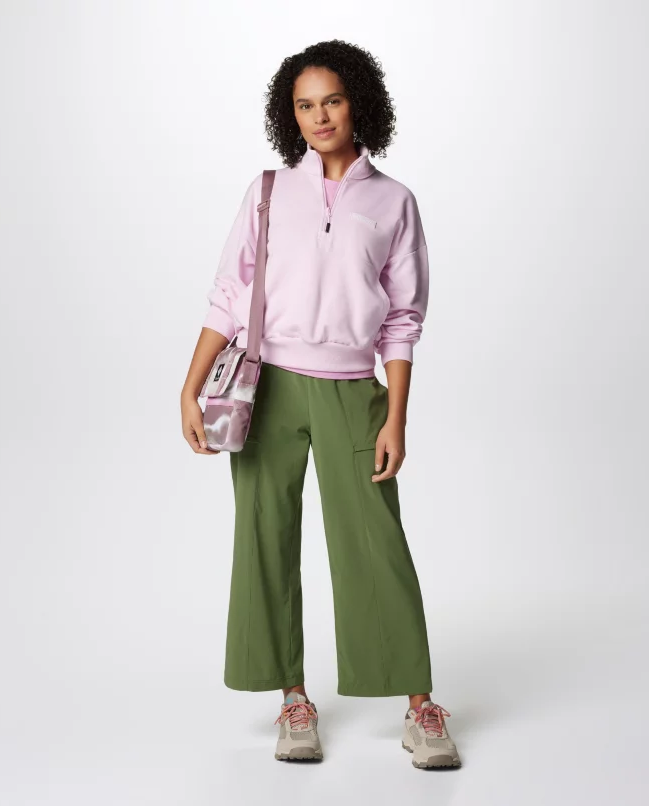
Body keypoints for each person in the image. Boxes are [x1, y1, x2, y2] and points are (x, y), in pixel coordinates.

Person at [179, 39, 461, 769]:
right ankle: (293, 700)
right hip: (267, 386)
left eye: (331, 100)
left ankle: (420, 706)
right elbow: (229, 292)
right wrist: (190, 385)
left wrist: (396, 416)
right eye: (304, 105)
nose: (320, 116)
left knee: (375, 541)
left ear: (358, 102)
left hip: (352, 389)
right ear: (290, 116)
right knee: (265, 536)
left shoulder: (393, 201)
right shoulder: (269, 190)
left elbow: (403, 318)